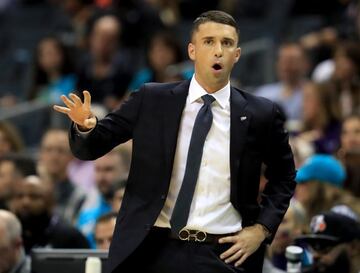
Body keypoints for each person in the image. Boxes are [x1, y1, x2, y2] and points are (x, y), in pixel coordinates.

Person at [54, 10, 296, 273]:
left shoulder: (261, 113)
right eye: (209, 42)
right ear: (192, 50)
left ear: (236, 55)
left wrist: (261, 229)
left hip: (223, 252)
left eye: (226, 43)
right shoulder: (152, 99)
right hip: (153, 248)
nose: (218, 51)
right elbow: (92, 147)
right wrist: (85, 127)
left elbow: (284, 177)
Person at [9, 175, 89, 253]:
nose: (25, 202)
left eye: (34, 196)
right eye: (20, 196)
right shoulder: (10, 236)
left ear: (50, 203)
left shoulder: (70, 237)